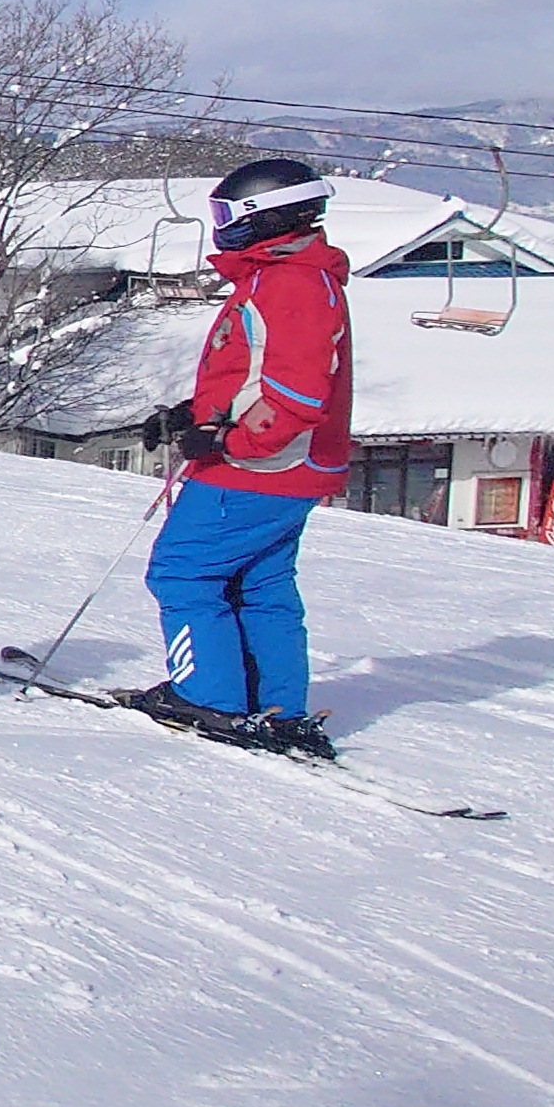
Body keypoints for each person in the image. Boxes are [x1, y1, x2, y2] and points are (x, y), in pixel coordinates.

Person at [132, 158, 352, 750]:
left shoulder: (292, 285)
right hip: (287, 468)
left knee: (185, 571)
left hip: (257, 467)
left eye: (227, 216)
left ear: (264, 216)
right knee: (260, 583)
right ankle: (274, 703)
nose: (220, 228)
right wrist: (194, 414)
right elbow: (257, 374)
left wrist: (227, 441)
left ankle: (209, 697)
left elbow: (299, 394)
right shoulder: (288, 275)